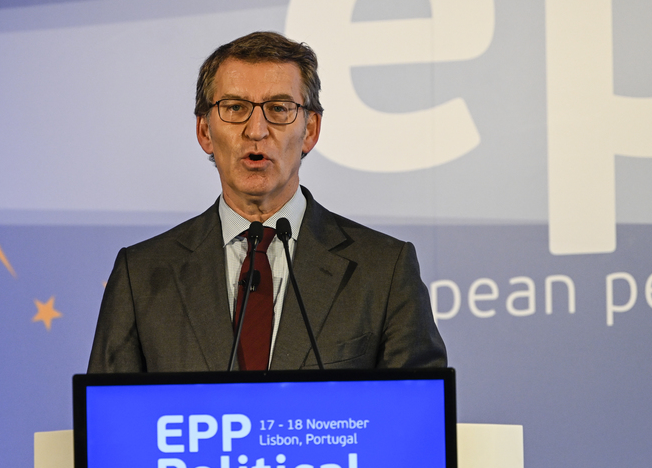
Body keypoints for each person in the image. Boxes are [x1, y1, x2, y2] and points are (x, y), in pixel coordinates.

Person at [87, 31, 446, 372]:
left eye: (278, 108)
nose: (256, 130)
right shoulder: (141, 275)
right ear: (204, 131)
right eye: (234, 107)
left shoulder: (384, 270)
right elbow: (110, 411)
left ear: (310, 130)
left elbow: (416, 409)